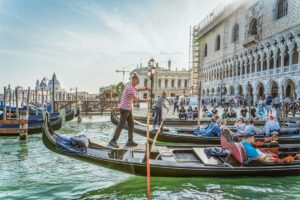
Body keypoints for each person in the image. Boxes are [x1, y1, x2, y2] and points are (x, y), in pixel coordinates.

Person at [109, 73, 150, 148]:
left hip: (128, 108)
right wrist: (146, 100)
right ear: (134, 80)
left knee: (131, 123)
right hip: (124, 109)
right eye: (137, 82)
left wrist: (146, 88)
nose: (138, 83)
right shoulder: (130, 88)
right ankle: (113, 140)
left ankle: (130, 141)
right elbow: (136, 99)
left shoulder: (131, 86)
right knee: (121, 124)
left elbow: (137, 89)